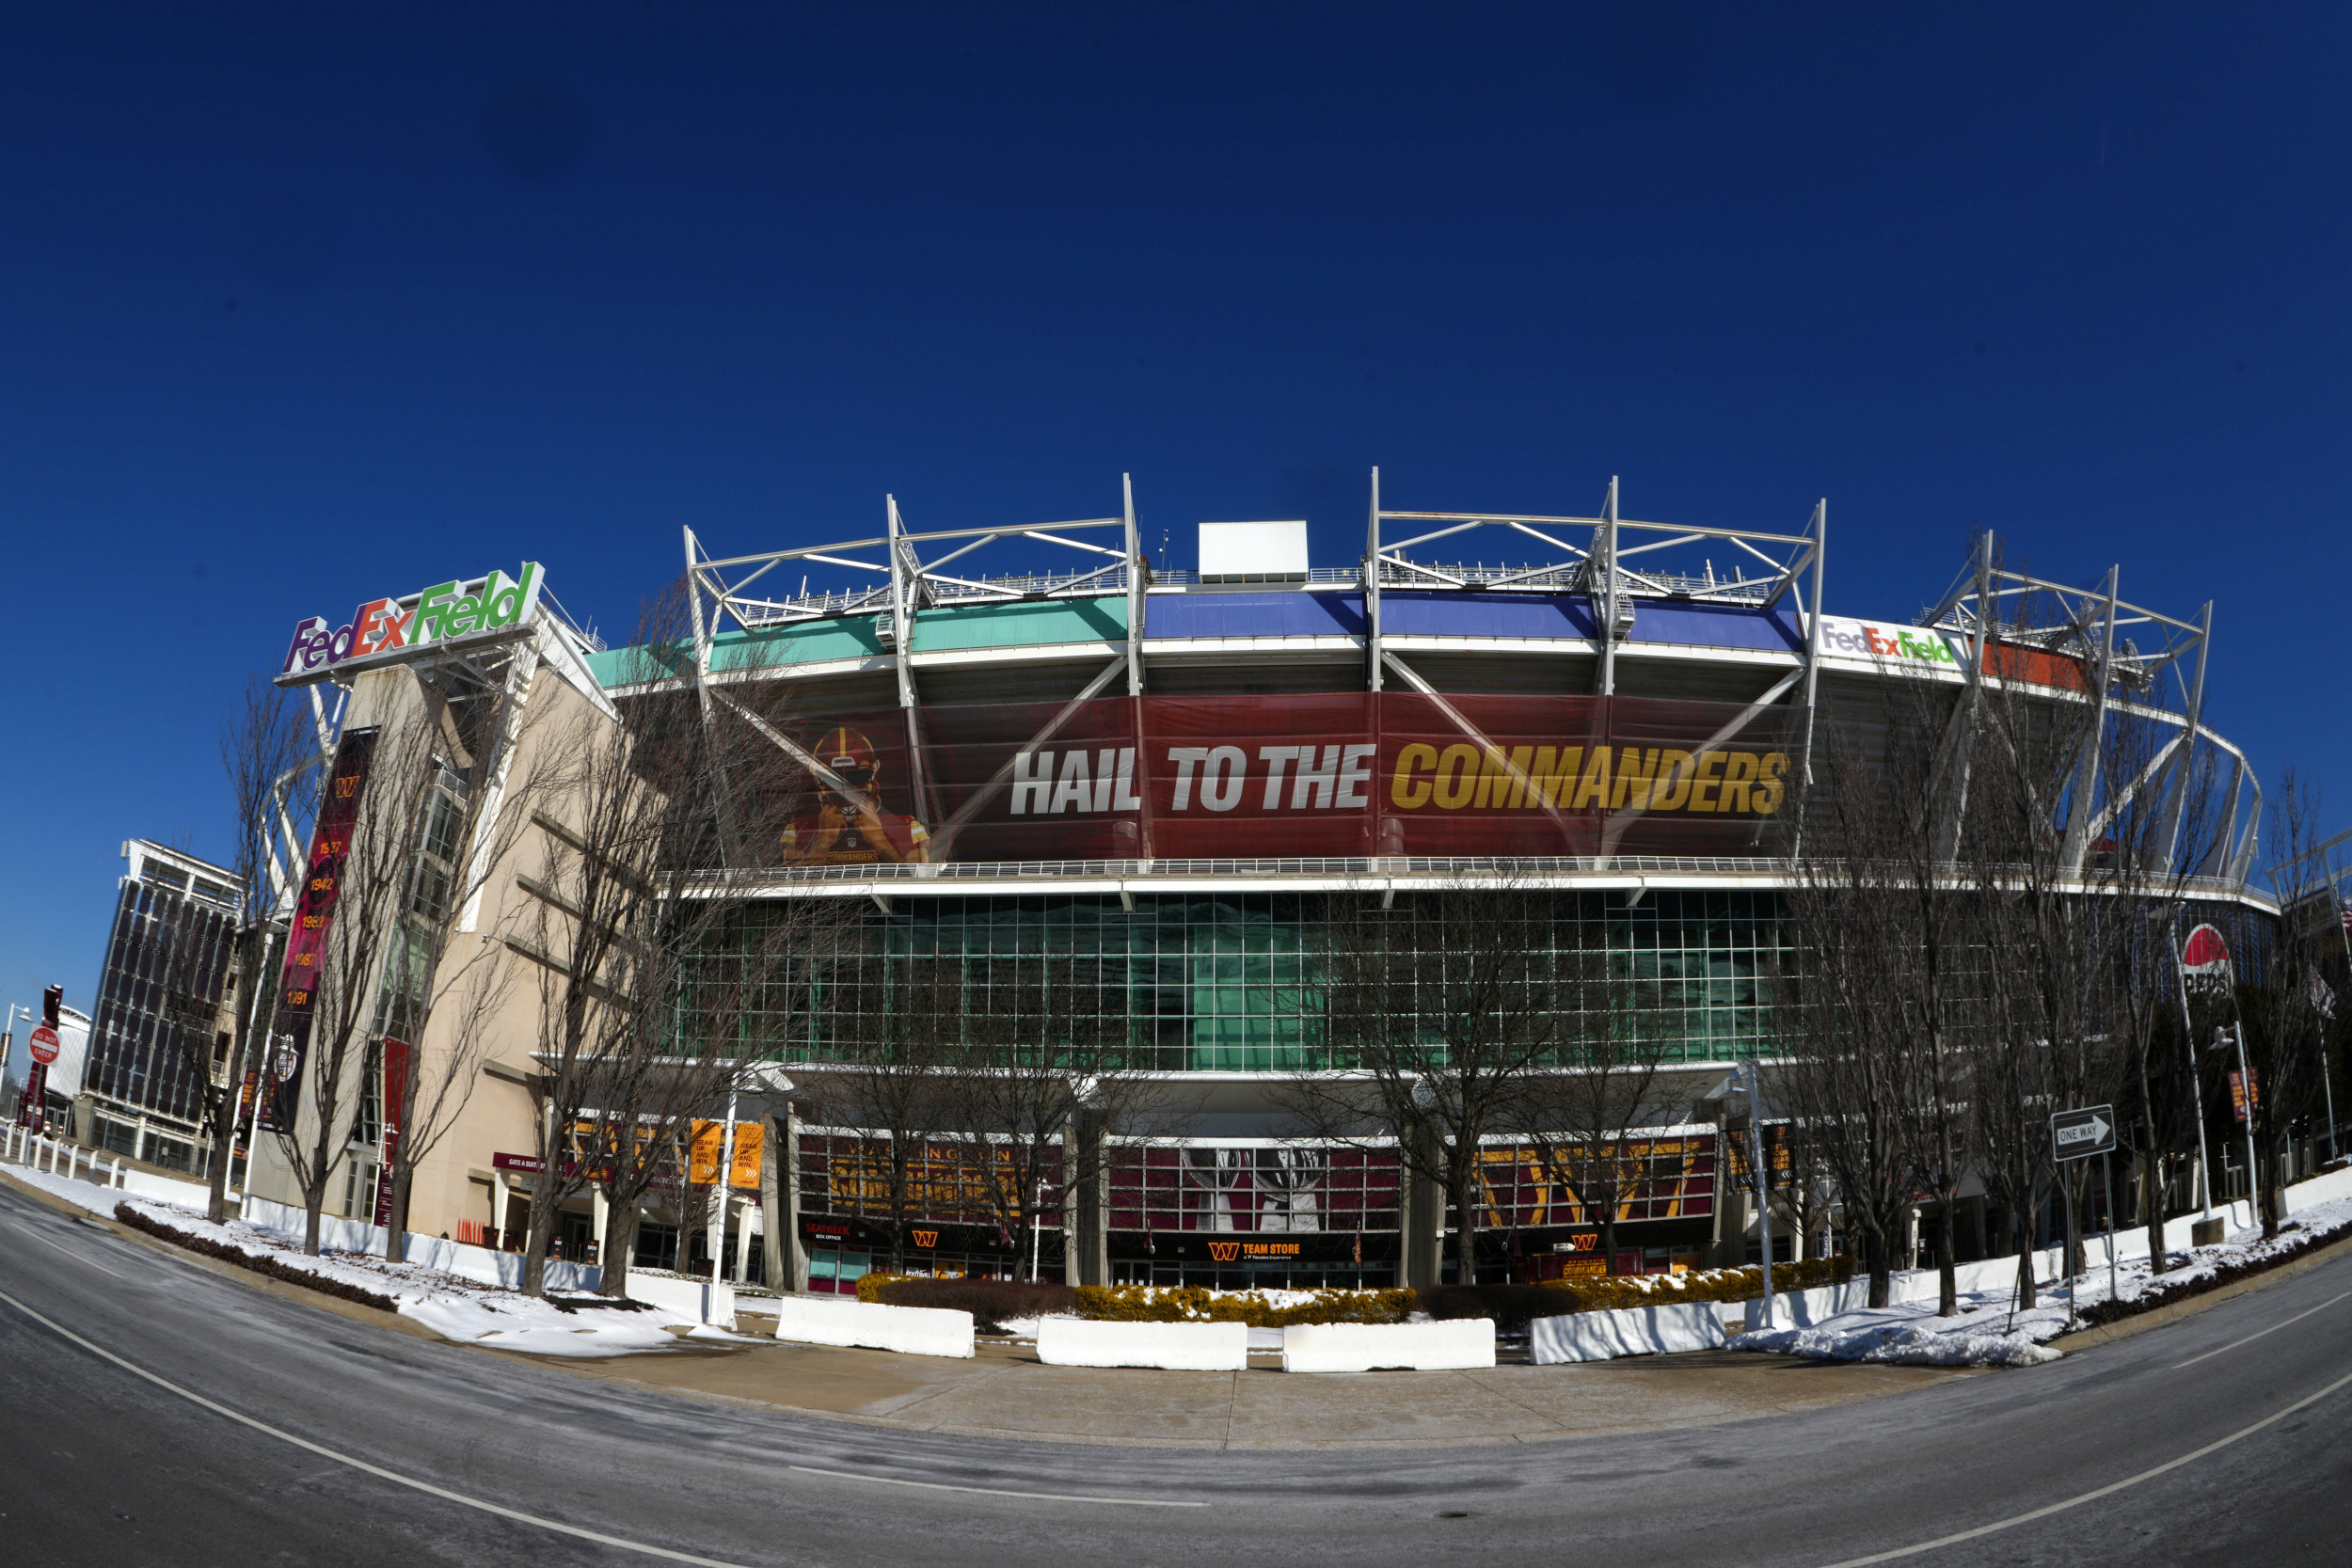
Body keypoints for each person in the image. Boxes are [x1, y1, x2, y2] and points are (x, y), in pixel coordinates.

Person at [783, 726, 931, 864]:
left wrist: (880, 841)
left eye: (856, 778)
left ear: (872, 775)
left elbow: (914, 880)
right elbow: (793, 885)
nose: (845, 791)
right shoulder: (798, 829)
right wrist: (824, 841)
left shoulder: (906, 826)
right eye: (833, 781)